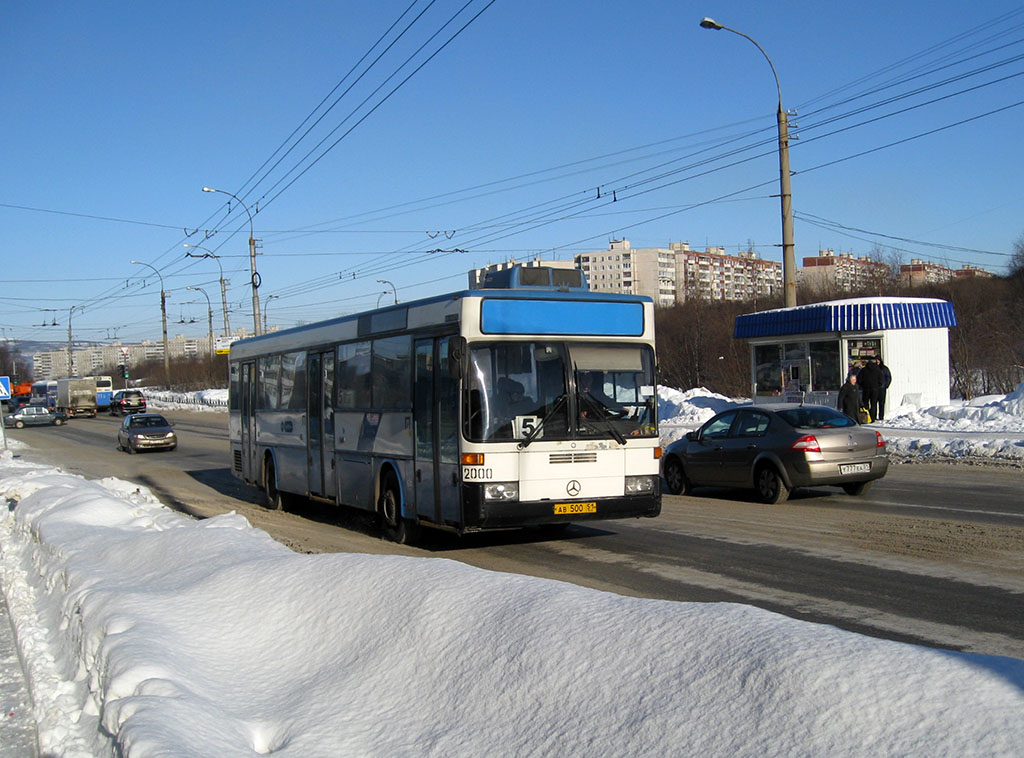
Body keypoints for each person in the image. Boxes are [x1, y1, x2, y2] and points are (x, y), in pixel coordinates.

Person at [856, 357, 883, 423]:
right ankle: (873, 418)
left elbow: (859, 380)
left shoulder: (863, 370)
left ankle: (865, 417)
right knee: (874, 404)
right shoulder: (878, 370)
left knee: (865, 403)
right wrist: (877, 386)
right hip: (875, 389)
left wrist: (862, 385)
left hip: (866, 389)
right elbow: (881, 380)